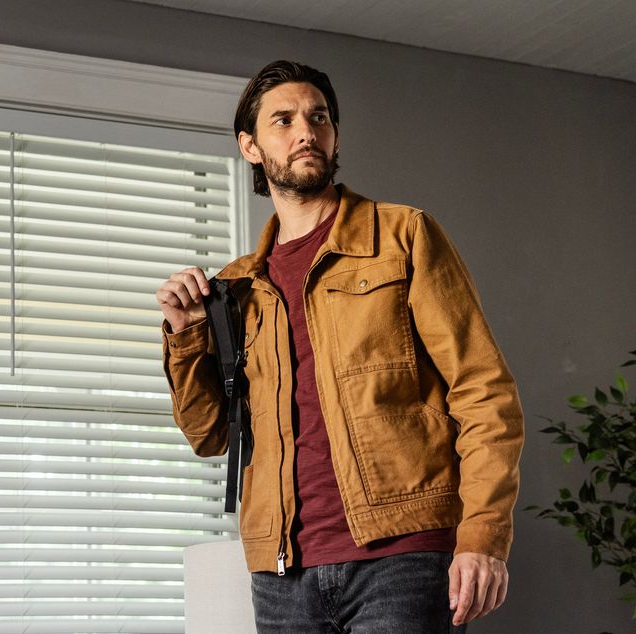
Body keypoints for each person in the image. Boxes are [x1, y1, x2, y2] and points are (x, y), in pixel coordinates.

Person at [156, 60, 524, 633]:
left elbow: (484, 392)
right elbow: (210, 436)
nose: (306, 131)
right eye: (284, 120)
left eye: (319, 117)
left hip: (403, 560)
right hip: (281, 576)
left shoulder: (403, 235)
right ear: (250, 146)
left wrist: (482, 537)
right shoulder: (237, 287)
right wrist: (185, 334)